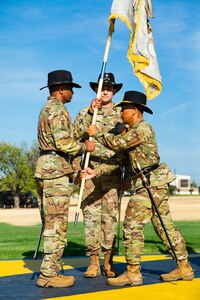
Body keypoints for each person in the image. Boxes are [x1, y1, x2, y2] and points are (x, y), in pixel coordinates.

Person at [82, 90, 194, 286]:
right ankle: (184, 267)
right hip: (152, 184)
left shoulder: (143, 129)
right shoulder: (132, 132)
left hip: (149, 185)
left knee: (132, 226)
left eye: (123, 110)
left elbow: (117, 144)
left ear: (134, 111)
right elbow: (118, 161)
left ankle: (133, 272)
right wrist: (96, 172)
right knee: (164, 226)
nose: (120, 113)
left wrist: (96, 133)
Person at [35, 70, 95, 288]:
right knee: (56, 225)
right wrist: (84, 147)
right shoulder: (58, 110)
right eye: (70, 88)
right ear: (61, 89)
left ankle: (50, 270)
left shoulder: (47, 109)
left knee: (51, 222)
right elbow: (63, 143)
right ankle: (49, 275)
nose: (72, 93)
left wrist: (89, 113)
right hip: (55, 172)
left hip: (47, 168)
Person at [73, 73, 126, 278]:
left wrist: (127, 175)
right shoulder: (85, 113)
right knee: (91, 219)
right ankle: (93, 262)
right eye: (101, 87)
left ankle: (108, 261)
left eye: (109, 88)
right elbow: (73, 137)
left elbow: (126, 147)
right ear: (96, 90)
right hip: (89, 173)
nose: (105, 91)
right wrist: (88, 114)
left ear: (114, 91)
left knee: (110, 219)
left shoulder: (121, 114)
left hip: (111, 173)